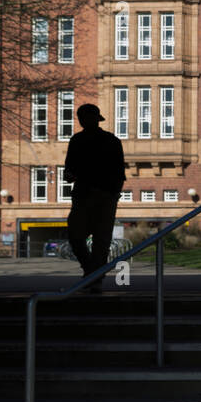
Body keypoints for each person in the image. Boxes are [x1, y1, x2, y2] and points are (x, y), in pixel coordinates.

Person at [63, 103, 127, 291]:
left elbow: (119, 172)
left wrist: (113, 194)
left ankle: (93, 275)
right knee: (82, 237)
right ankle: (93, 272)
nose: (86, 122)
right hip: (87, 195)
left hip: (101, 196)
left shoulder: (110, 141)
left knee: (99, 239)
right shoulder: (78, 140)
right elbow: (69, 169)